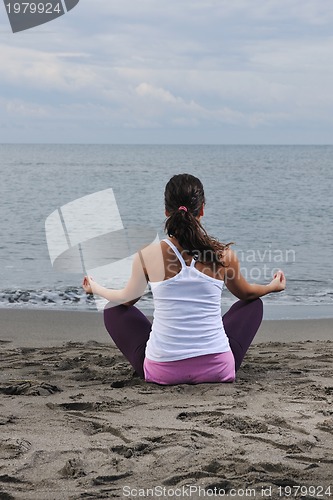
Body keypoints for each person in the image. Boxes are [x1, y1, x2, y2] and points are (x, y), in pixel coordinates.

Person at [83, 173, 286, 385]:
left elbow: (125, 299)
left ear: (166, 211)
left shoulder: (148, 255)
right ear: (203, 209)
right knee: (253, 305)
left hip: (162, 372)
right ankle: (210, 355)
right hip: (217, 370)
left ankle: (164, 360)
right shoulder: (223, 256)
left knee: (113, 308)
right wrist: (272, 286)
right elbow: (247, 293)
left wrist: (96, 288)